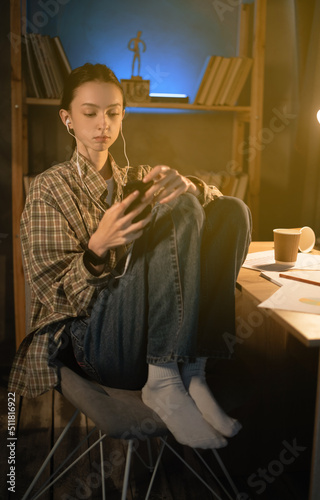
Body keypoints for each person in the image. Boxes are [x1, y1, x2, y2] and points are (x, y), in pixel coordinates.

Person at [9, 63, 252, 450]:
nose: (102, 123)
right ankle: (164, 382)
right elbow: (51, 299)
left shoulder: (136, 177)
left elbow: (214, 208)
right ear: (67, 118)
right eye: (89, 113)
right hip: (98, 347)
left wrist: (187, 184)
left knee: (232, 210)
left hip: (160, 336)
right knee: (182, 210)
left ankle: (192, 372)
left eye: (113, 112)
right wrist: (97, 248)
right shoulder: (48, 189)